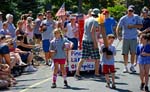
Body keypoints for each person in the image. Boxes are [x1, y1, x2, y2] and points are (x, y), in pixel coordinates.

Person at [74, 8, 100, 79]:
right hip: (91, 40)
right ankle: (96, 73)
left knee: (83, 57)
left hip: (84, 40)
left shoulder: (87, 19)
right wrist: (95, 43)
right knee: (97, 58)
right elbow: (92, 32)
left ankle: (77, 73)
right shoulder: (95, 20)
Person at [116, 6, 143, 73]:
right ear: (127, 11)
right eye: (129, 11)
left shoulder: (136, 17)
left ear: (133, 11)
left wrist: (133, 26)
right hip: (125, 37)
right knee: (125, 53)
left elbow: (141, 26)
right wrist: (118, 36)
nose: (130, 12)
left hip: (133, 37)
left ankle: (132, 66)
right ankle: (125, 67)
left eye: (131, 11)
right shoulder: (123, 18)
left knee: (133, 53)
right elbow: (118, 27)